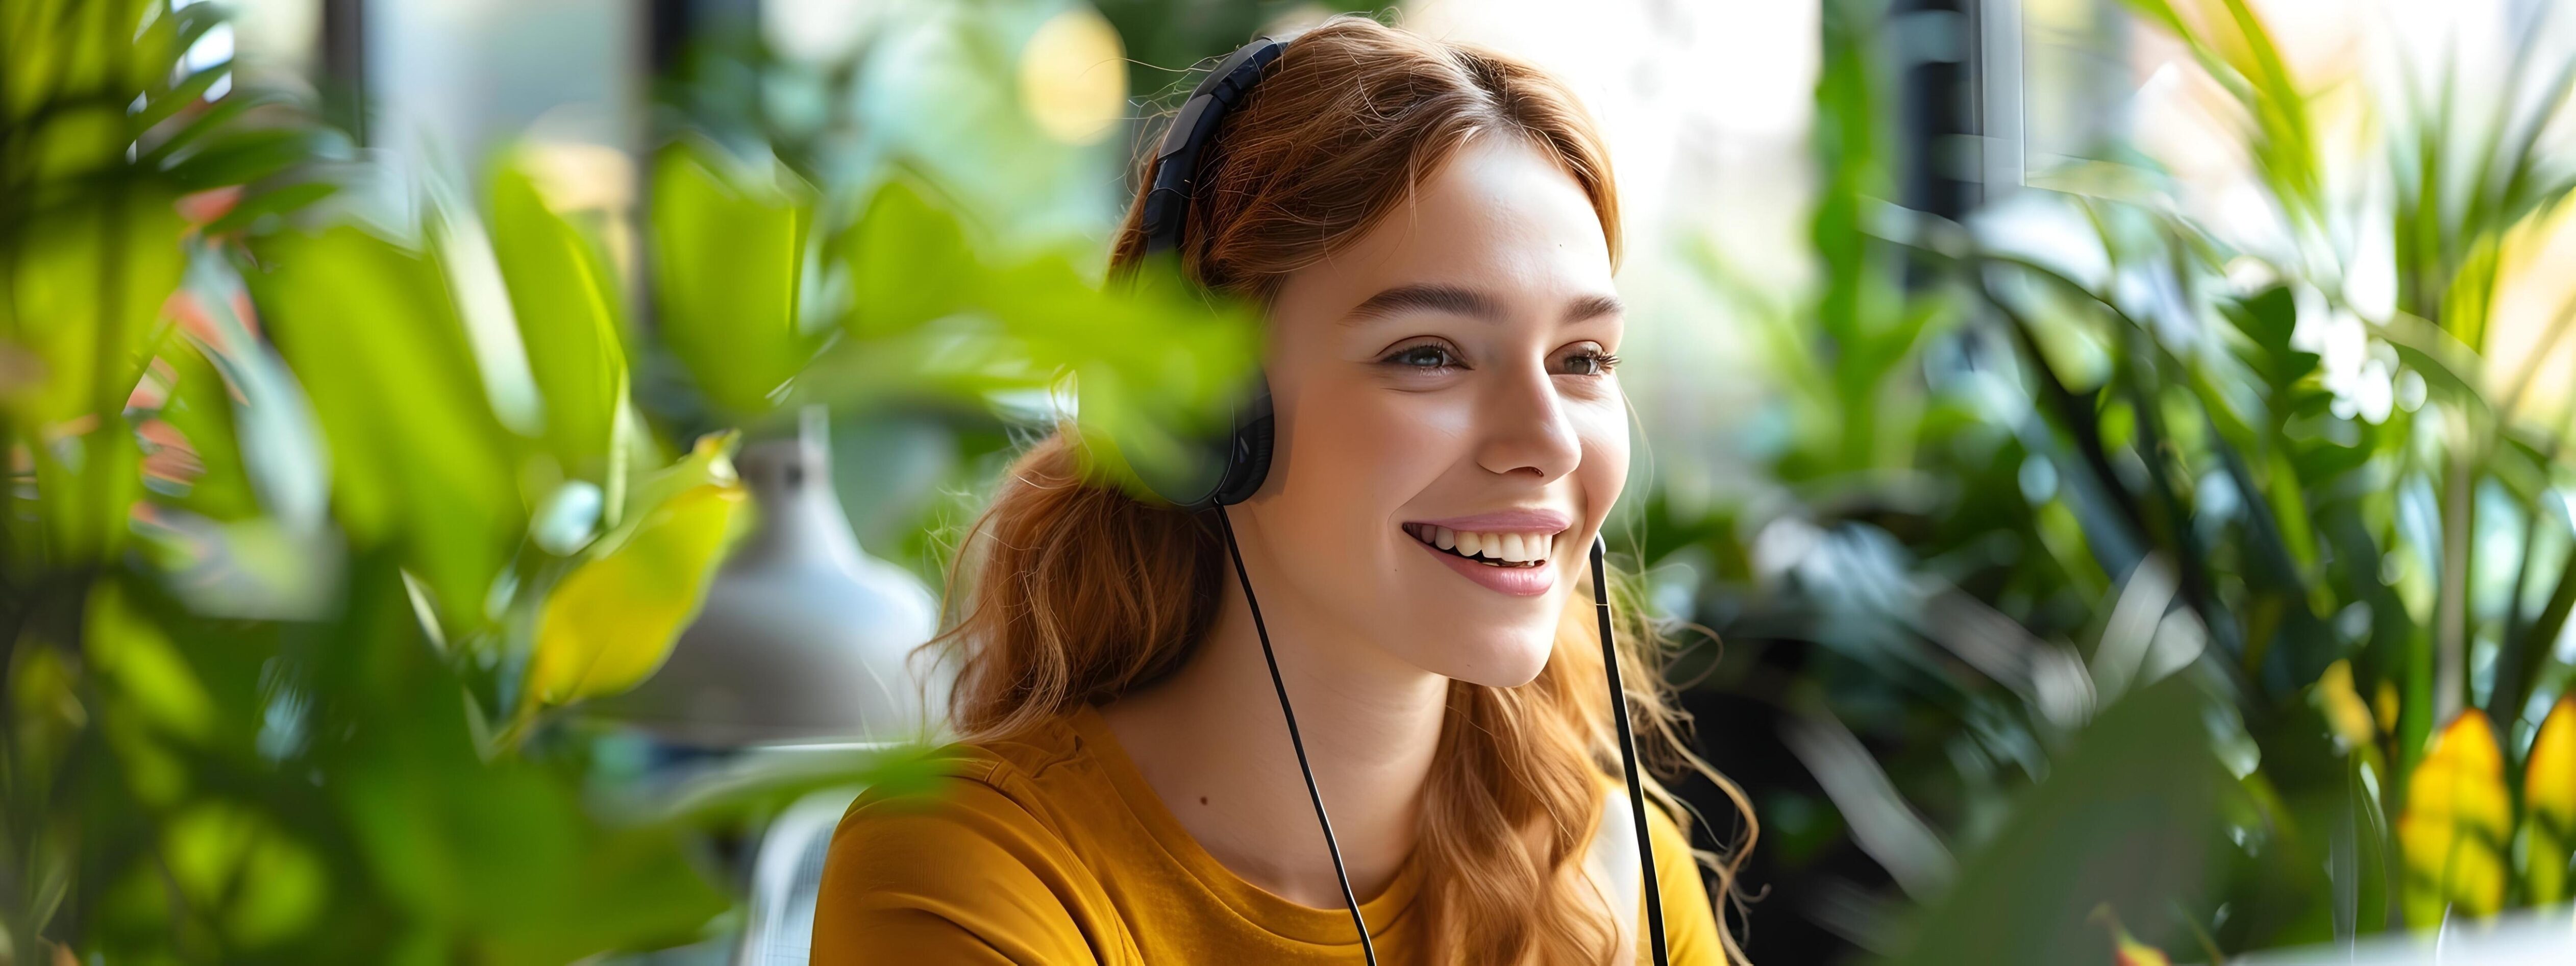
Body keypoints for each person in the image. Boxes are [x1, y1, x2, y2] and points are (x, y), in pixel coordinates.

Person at [812, 14, 1752, 964]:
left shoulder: (1614, 888)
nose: (1548, 439)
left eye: (1582, 358)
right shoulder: (971, 873)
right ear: (1209, 409)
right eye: (1428, 354)